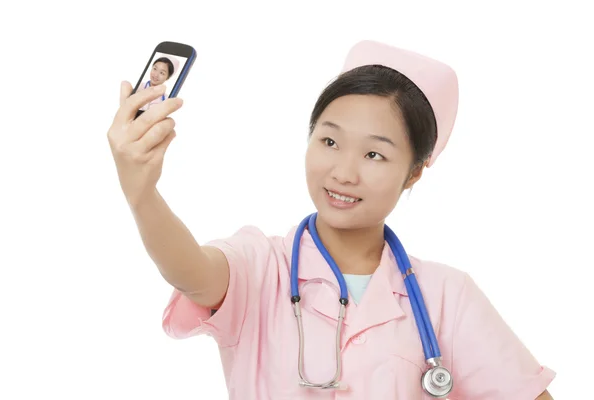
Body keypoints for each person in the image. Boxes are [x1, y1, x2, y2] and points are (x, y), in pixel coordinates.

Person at [107, 40, 556, 399]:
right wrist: (141, 193)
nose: (343, 171)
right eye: (329, 142)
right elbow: (192, 273)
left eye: (375, 154)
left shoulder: (447, 298)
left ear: (414, 172)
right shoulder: (260, 265)